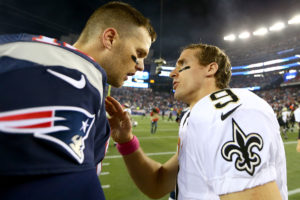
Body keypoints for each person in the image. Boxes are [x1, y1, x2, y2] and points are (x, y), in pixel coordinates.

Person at [0, 2, 156, 200]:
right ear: (110, 38)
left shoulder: (31, 52)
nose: (141, 66)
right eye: (139, 53)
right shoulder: (75, 78)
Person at [105, 43, 287, 199]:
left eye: (182, 65)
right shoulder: (197, 116)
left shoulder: (226, 111)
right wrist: (126, 141)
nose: (172, 74)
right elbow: (158, 184)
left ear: (211, 68)